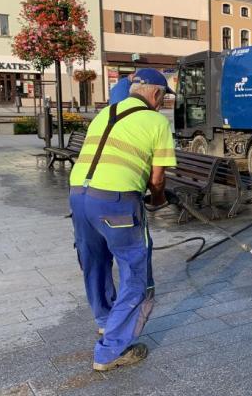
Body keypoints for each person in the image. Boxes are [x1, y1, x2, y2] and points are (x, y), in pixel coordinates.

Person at [68, 69, 176, 371]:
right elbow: (158, 177)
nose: (162, 103)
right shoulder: (157, 121)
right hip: (116, 202)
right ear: (156, 94)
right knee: (136, 271)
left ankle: (105, 321)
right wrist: (158, 199)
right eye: (163, 97)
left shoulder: (105, 113)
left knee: (95, 262)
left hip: (79, 195)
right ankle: (111, 352)